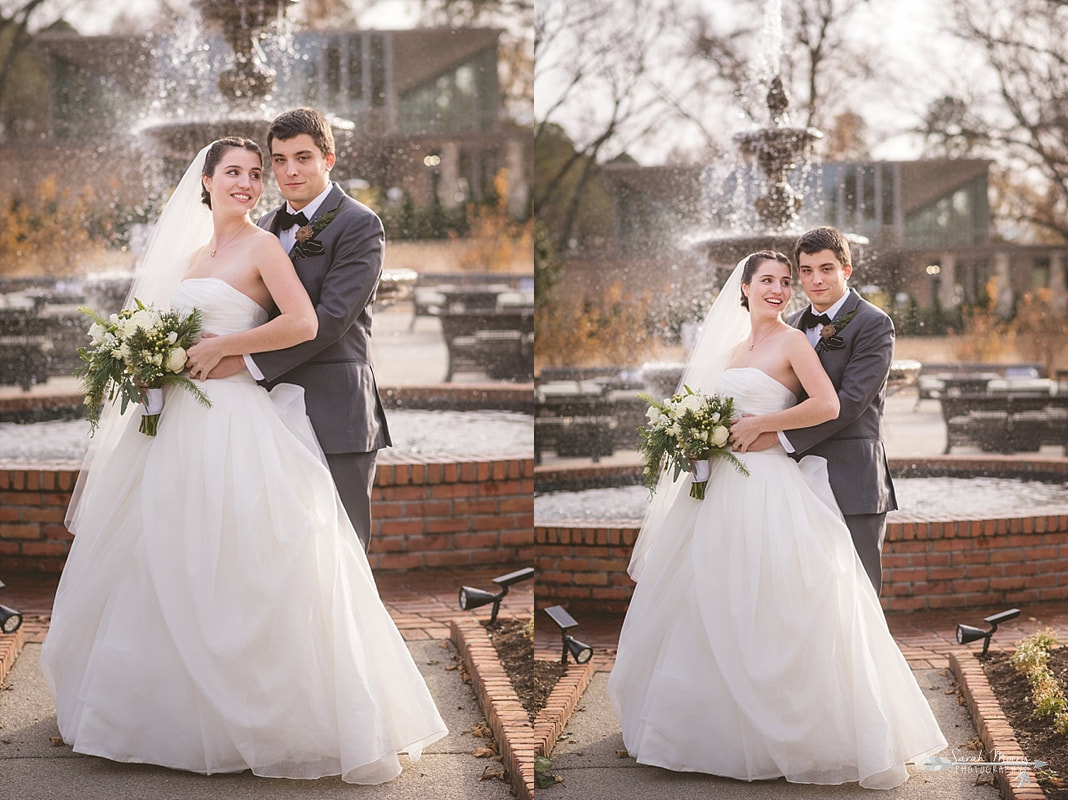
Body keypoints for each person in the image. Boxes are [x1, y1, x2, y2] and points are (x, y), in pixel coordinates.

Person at [40, 138, 447, 784]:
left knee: (250, 561)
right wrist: (150, 364)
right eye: (236, 172)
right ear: (204, 181)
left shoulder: (265, 245)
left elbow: (306, 321)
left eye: (255, 174)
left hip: (235, 417)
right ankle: (148, 714)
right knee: (164, 558)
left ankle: (270, 717)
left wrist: (229, 348)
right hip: (173, 423)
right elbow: (164, 329)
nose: (250, 182)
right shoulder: (191, 254)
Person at [608, 251, 945, 790]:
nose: (782, 288)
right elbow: (709, 415)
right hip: (717, 490)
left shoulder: (796, 340)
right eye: (771, 280)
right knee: (711, 601)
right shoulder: (731, 348)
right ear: (743, 287)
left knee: (789, 602)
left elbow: (832, 402)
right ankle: (701, 729)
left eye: (787, 281)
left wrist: (765, 427)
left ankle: (811, 728)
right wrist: (697, 448)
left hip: (770, 484)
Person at [207, 108, 389, 551]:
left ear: (329, 159)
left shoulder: (360, 224)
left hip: (336, 411)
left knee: (343, 549)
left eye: (303, 158)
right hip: (268, 413)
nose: (290, 171)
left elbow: (329, 321)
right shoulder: (265, 226)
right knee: (284, 554)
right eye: (281, 159)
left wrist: (241, 361)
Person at [730, 226, 897, 593]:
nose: (815, 280)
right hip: (794, 483)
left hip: (851, 479)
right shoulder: (790, 326)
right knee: (807, 598)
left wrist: (775, 435)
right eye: (806, 271)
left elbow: (850, 403)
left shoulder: (874, 324)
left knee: (858, 593)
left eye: (826, 269)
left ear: (846, 270)